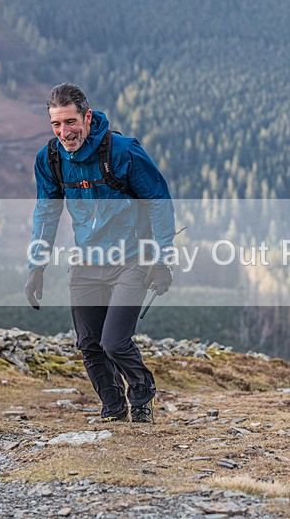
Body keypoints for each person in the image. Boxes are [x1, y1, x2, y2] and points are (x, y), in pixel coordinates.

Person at [24, 83, 176, 423]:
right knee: (89, 344)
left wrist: (163, 260)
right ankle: (113, 408)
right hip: (87, 261)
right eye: (56, 125)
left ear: (87, 117)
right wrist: (36, 266)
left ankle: (140, 393)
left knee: (114, 342)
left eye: (71, 122)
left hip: (132, 258)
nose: (65, 132)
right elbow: (46, 213)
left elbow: (159, 202)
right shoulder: (50, 159)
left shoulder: (123, 151)